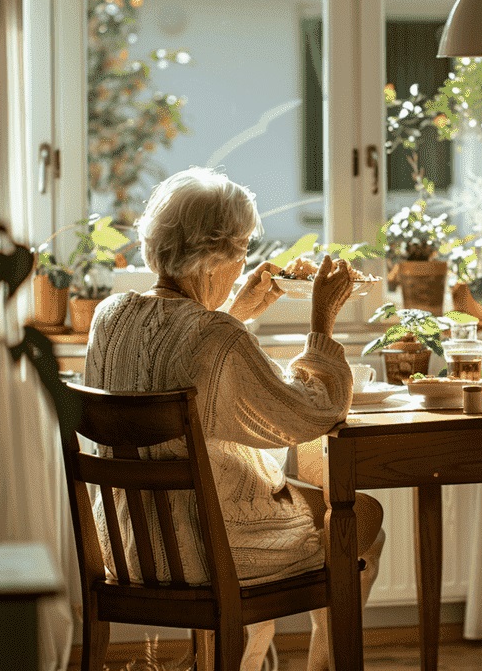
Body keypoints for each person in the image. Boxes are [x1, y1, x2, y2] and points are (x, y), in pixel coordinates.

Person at [84, 166, 385, 671]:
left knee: (287, 500)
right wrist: (321, 325)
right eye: (242, 248)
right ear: (210, 257)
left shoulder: (109, 318)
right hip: (206, 552)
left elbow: (171, 368)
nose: (246, 260)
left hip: (128, 546)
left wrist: (233, 313)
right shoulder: (215, 336)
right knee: (361, 513)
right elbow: (310, 413)